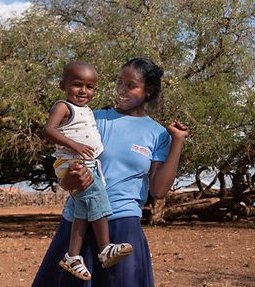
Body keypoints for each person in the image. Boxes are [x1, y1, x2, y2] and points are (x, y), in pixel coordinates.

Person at [32, 57, 189, 287]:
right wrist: (70, 181)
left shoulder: (158, 134)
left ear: (149, 90)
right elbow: (66, 171)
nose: (122, 91)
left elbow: (158, 190)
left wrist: (178, 142)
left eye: (131, 85)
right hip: (80, 224)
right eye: (120, 82)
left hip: (123, 226)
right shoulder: (95, 120)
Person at [43, 61, 133, 281]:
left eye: (90, 87)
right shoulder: (63, 107)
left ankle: (72, 255)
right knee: (98, 200)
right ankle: (105, 248)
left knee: (82, 210)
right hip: (73, 162)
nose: (83, 91)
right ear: (62, 85)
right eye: (77, 85)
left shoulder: (86, 110)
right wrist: (76, 146)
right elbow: (48, 131)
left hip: (88, 163)